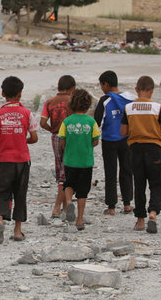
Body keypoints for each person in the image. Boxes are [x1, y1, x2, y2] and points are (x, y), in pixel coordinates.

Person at [0, 76, 38, 244]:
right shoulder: (27, 113)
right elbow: (34, 137)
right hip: (22, 160)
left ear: (2, 93)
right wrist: (23, 139)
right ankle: (17, 231)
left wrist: (0, 140)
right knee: (20, 193)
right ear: (20, 94)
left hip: (3, 160)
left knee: (0, 191)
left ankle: (0, 220)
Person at [120, 76, 161, 234]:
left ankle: (140, 220)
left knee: (139, 185)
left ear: (136, 90)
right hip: (154, 149)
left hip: (135, 150)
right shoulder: (157, 108)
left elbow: (123, 132)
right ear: (152, 90)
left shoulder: (129, 108)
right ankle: (153, 213)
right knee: (158, 184)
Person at [94, 70, 136, 215]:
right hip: (127, 140)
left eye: (101, 85)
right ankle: (127, 203)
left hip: (109, 140)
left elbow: (96, 122)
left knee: (110, 172)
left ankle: (111, 206)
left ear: (106, 84)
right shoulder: (130, 99)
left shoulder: (105, 100)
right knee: (127, 170)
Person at [58, 89, 100, 231]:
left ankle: (69, 201)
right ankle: (80, 220)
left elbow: (62, 141)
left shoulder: (66, 122)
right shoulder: (91, 122)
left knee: (68, 184)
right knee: (83, 191)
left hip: (70, 160)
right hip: (86, 162)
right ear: (88, 105)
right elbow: (95, 141)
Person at [40, 75, 75, 218]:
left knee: (61, 169)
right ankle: (57, 207)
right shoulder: (72, 101)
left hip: (55, 137)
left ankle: (66, 206)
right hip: (71, 138)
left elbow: (42, 122)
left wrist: (53, 130)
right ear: (72, 88)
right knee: (66, 172)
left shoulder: (50, 102)